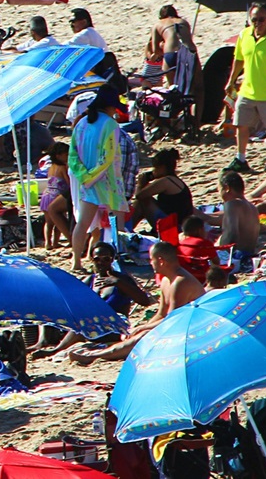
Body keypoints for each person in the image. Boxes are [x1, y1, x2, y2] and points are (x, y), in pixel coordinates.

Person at [68, 240, 204, 364]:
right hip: (178, 325)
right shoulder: (166, 280)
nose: (151, 263)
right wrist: (138, 329)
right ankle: (99, 354)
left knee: (144, 336)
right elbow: (161, 313)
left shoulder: (179, 282)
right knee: (139, 333)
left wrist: (142, 329)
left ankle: (95, 356)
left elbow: (172, 320)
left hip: (193, 330)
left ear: (161, 261)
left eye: (152, 260)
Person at [70, 88, 129, 271]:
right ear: (110, 106)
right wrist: (95, 175)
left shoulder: (81, 124)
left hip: (87, 181)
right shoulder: (110, 125)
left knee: (83, 223)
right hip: (109, 180)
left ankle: (76, 262)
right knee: (117, 222)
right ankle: (118, 260)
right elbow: (108, 156)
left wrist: (85, 177)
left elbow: (73, 157)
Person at [226, 2, 266, 172]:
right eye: (254, 20)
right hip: (247, 90)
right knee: (241, 124)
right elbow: (238, 60)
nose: (257, 23)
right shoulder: (244, 36)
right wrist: (231, 80)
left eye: (261, 19)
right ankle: (240, 158)